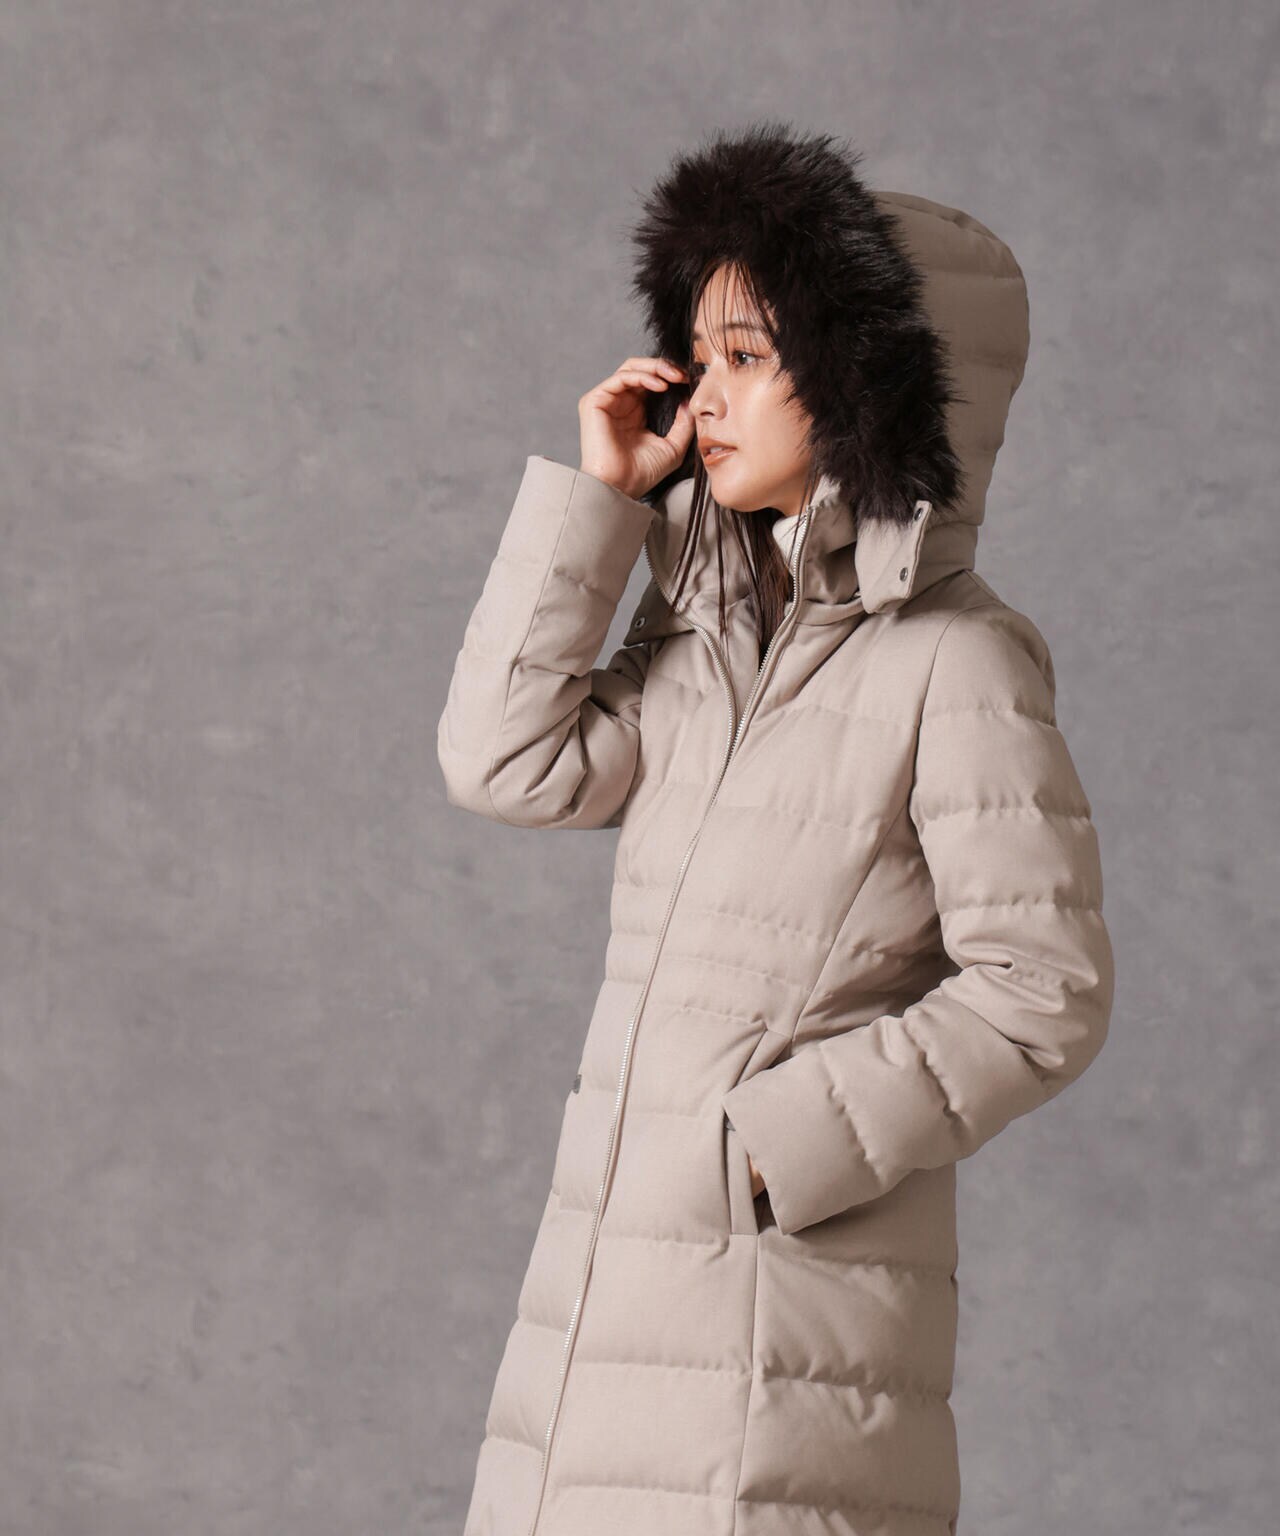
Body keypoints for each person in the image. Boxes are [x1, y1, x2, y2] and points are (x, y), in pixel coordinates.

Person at [437, 120, 1115, 1536]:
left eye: (748, 355)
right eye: (699, 355)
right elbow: (507, 763)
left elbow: (1042, 989)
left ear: (866, 378)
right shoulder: (702, 636)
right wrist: (600, 507)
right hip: (603, 1310)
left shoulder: (959, 661)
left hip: (781, 1333)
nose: (708, 394)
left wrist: (773, 1145)